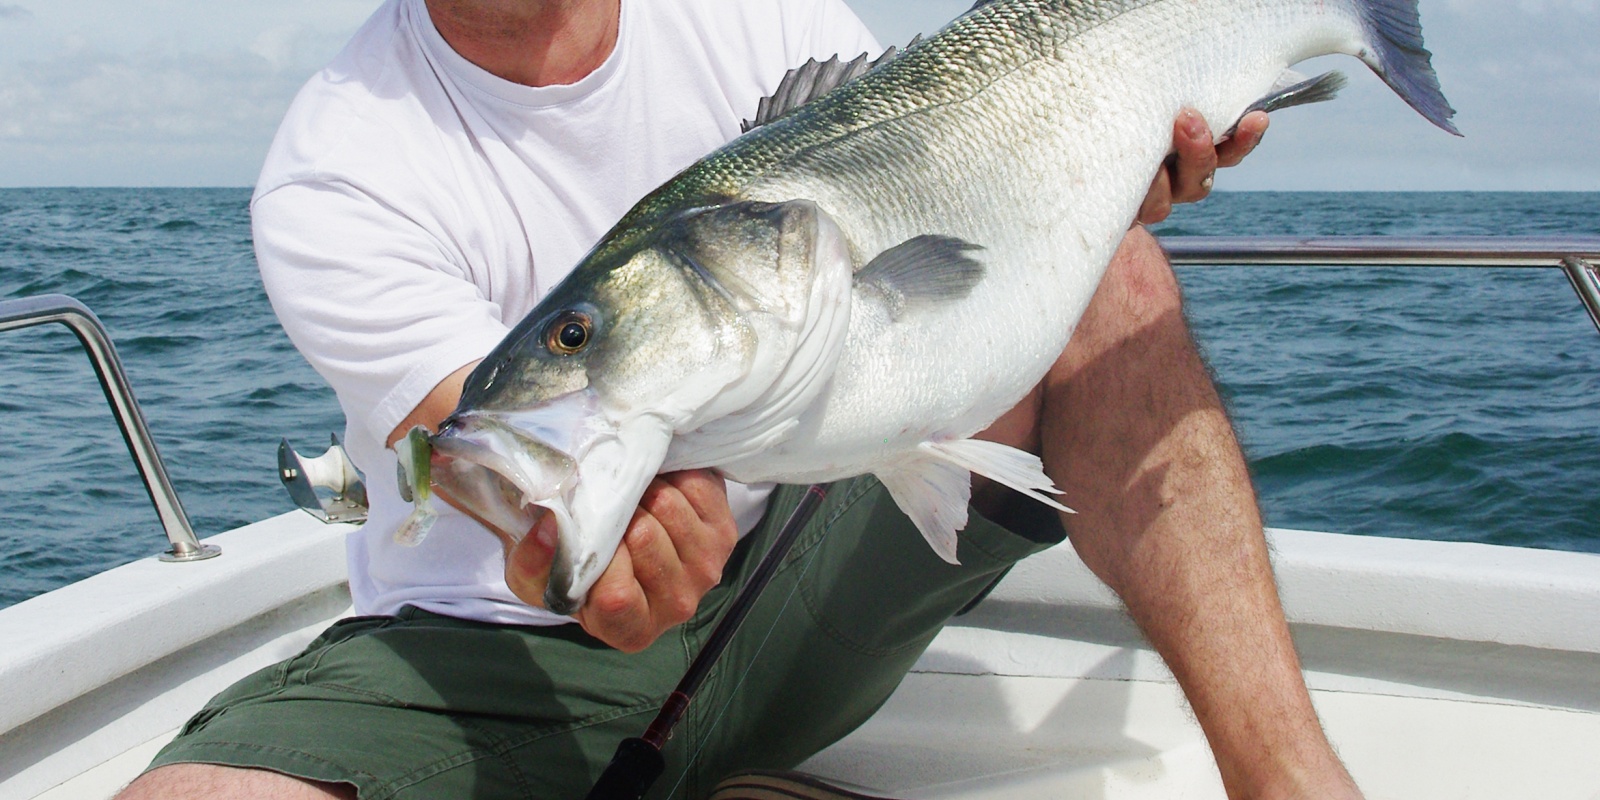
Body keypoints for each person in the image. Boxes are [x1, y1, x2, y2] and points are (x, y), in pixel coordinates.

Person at [119, 0, 1362, 798]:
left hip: (803, 576)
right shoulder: (338, 162)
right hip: (487, 652)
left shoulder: (750, 18)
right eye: (573, 325)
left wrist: (1091, 184)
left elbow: (970, 163)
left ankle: (1293, 782)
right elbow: (510, 449)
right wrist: (566, 540)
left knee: (1116, 272)